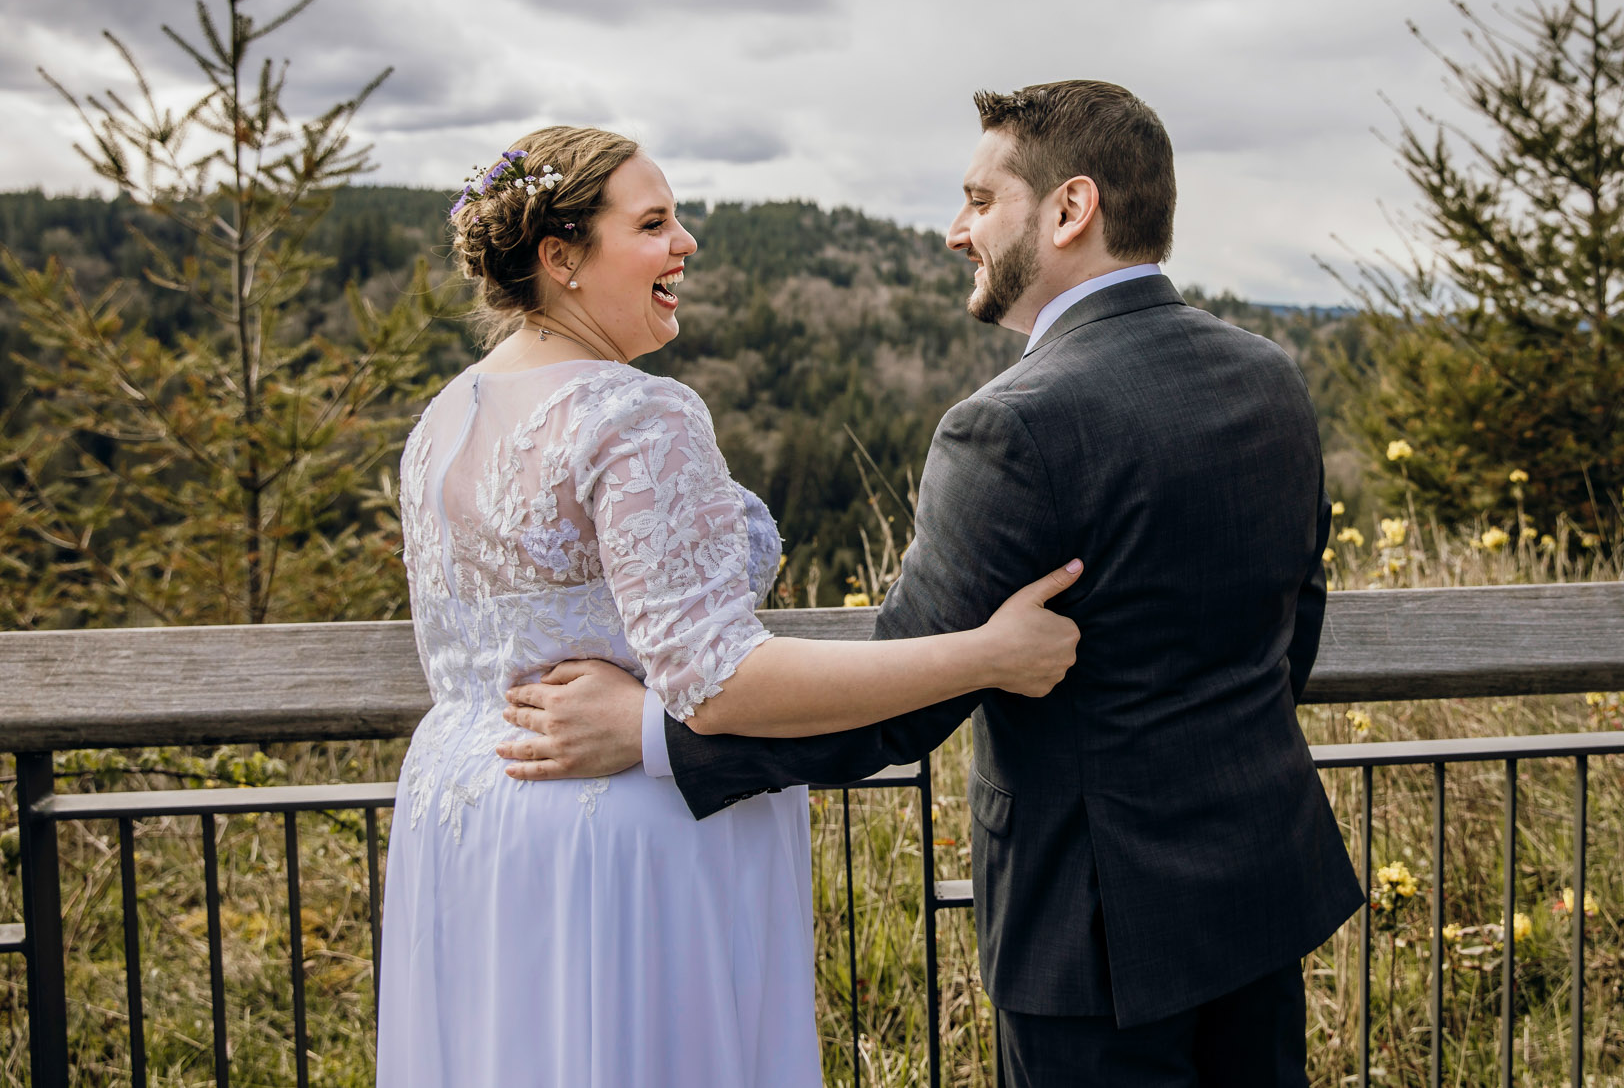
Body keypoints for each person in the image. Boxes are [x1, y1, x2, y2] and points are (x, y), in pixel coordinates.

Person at [508, 84, 1364, 1088]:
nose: (957, 231)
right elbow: (1288, 628)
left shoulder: (1011, 425)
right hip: (1264, 889)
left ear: (1068, 209)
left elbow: (901, 702)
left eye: (978, 199)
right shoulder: (1267, 374)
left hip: (1092, 936)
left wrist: (656, 735)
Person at [373, 124, 1083, 1088]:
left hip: (468, 821)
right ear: (562, 259)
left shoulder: (444, 414)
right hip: (620, 845)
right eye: (655, 223)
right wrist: (988, 653)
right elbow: (720, 687)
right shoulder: (634, 412)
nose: (686, 243)